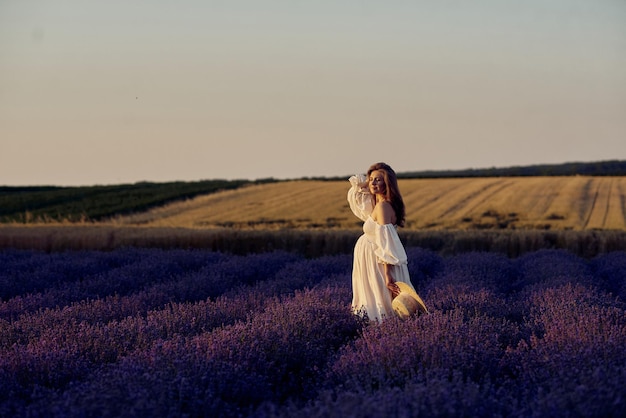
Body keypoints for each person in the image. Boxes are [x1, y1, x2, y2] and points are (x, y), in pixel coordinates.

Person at [347, 162, 425, 322]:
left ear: (387, 183)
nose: (373, 183)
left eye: (378, 180)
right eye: (372, 179)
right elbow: (356, 196)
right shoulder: (380, 205)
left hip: (378, 262)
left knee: (380, 298)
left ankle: (381, 330)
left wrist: (388, 276)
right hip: (373, 260)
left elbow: (386, 243)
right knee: (380, 299)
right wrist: (365, 182)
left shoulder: (383, 207)